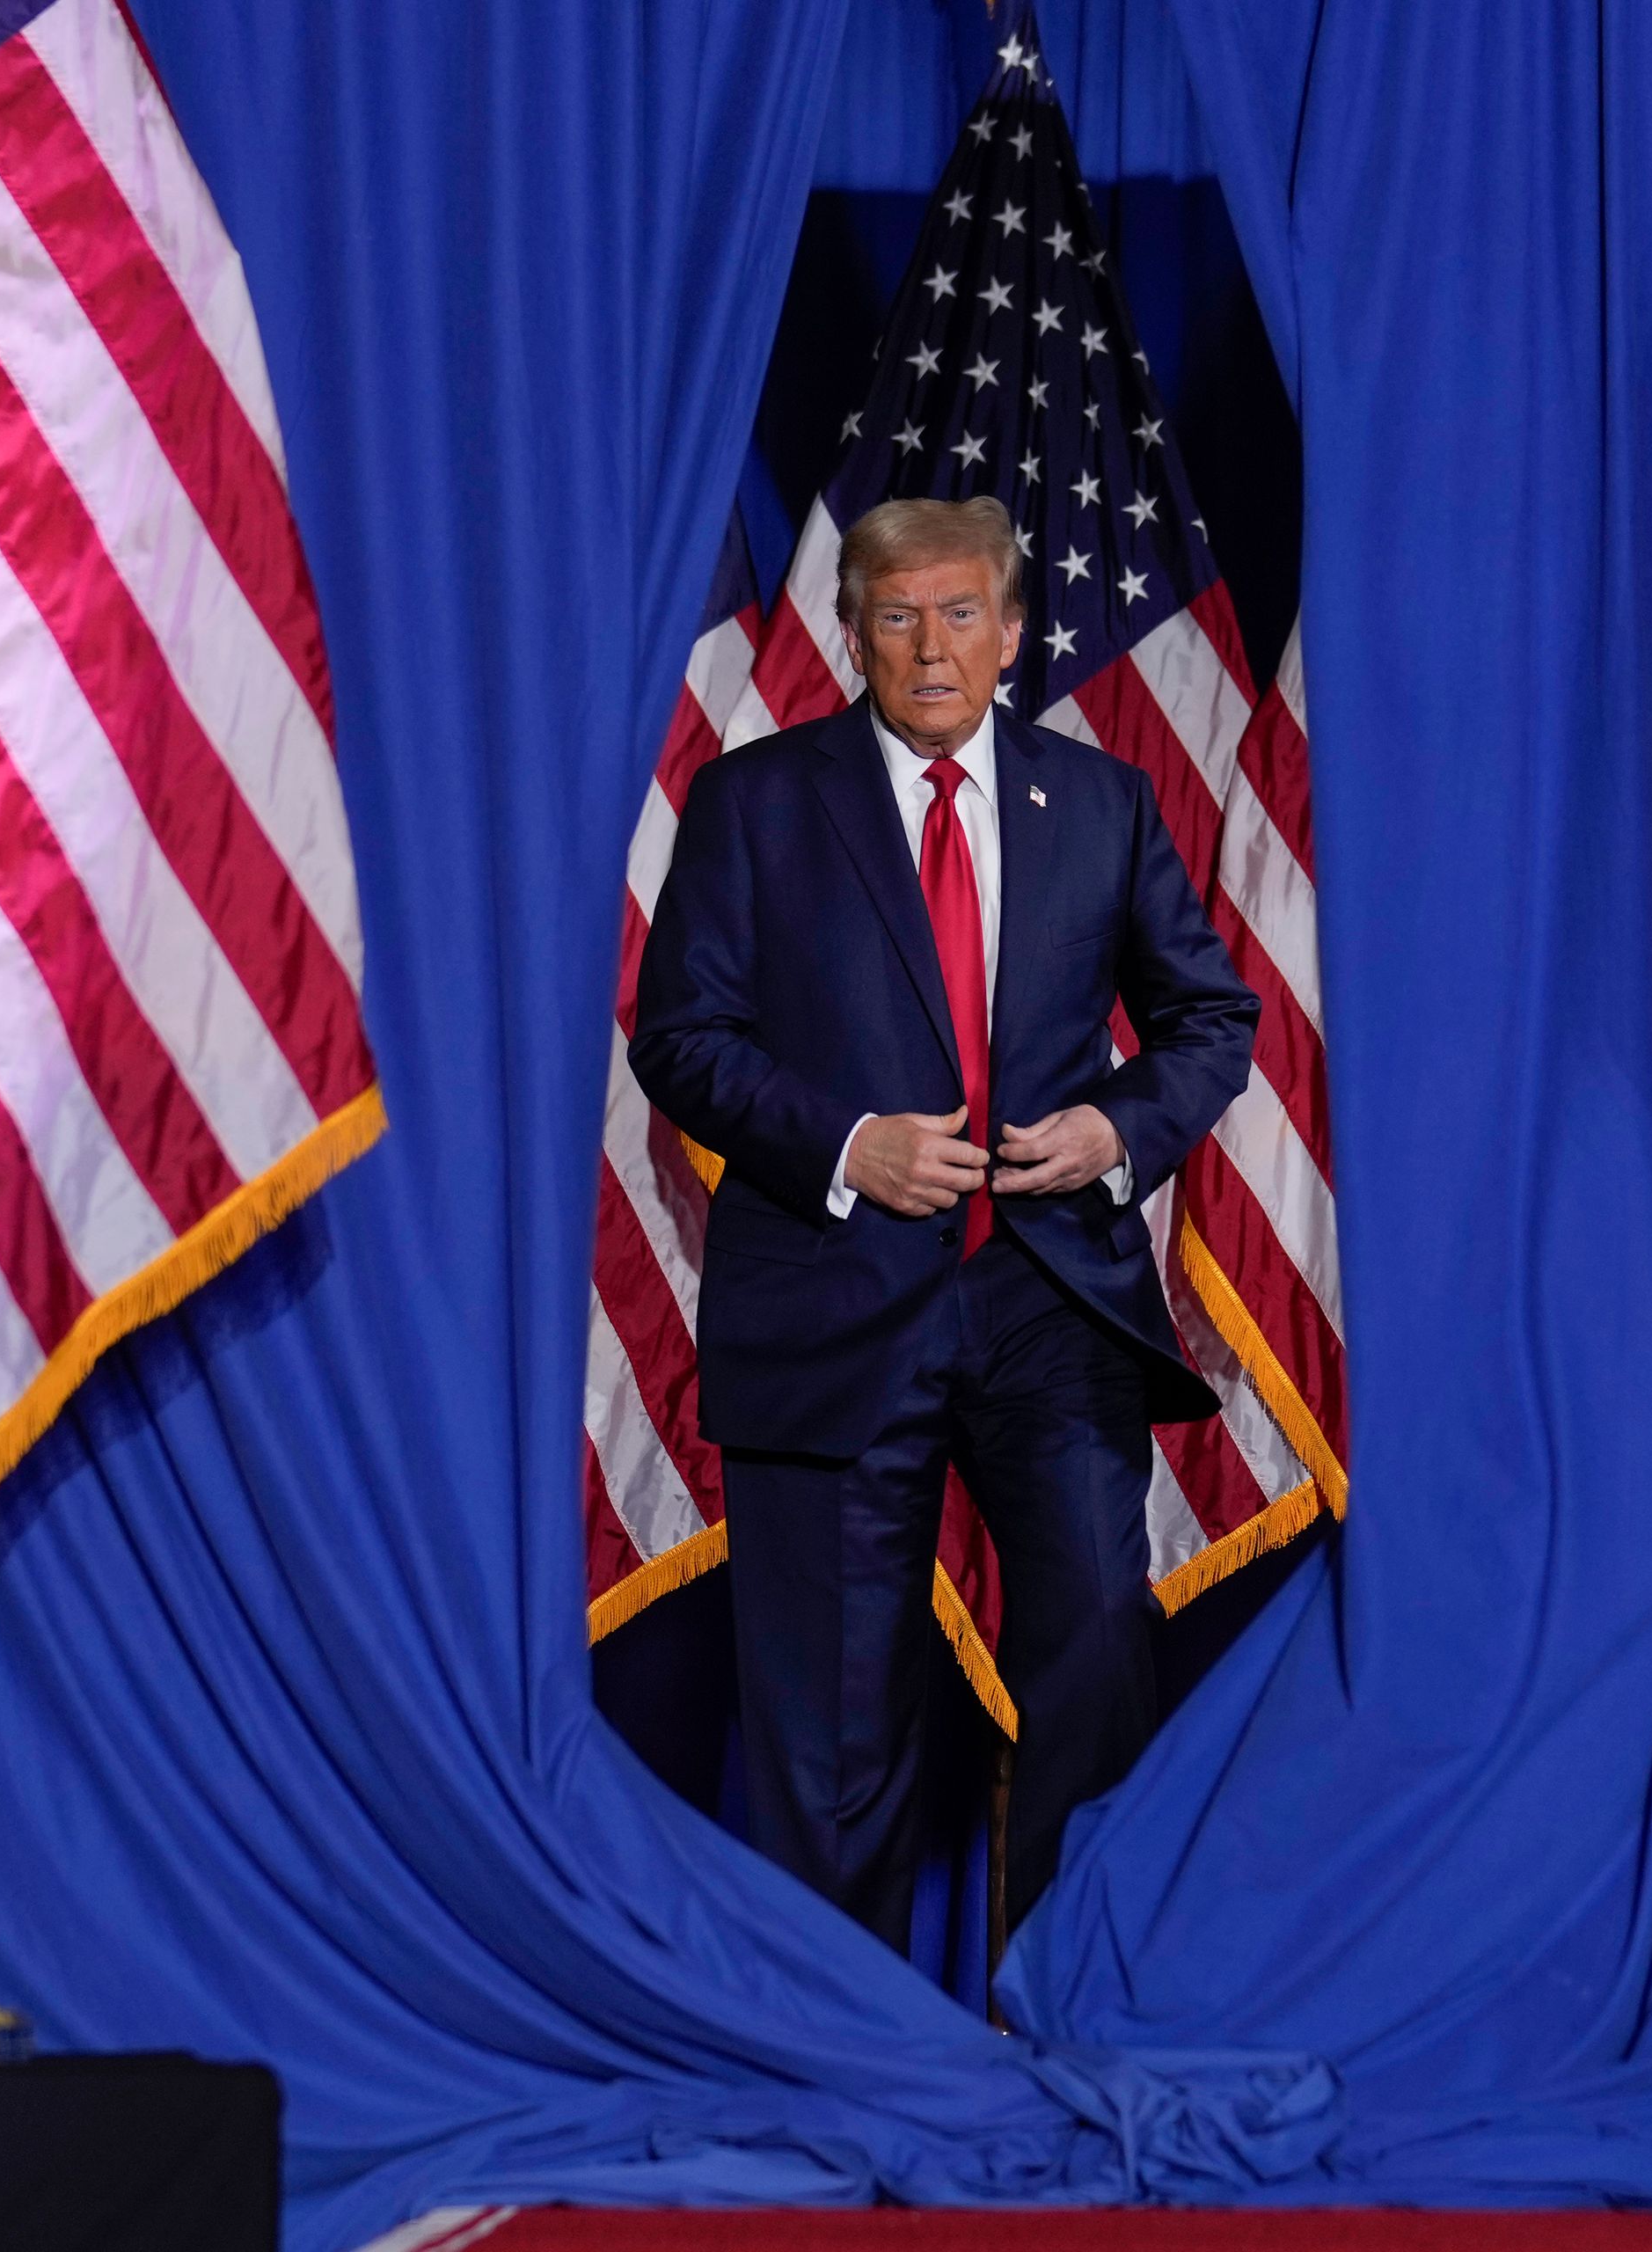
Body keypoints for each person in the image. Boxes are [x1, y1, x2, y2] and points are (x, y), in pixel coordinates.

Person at [631, 494, 1258, 1947]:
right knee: (834, 1723)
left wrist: (1120, 1128)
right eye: (898, 617)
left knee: (1100, 1647)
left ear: (1014, 634)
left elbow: (1209, 1019)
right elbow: (684, 1036)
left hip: (1051, 1301)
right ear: (850, 634)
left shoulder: (1098, 804)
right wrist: (849, 1144)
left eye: (962, 614)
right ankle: (850, 2054)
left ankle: (1053, 2009)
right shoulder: (757, 800)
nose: (931, 648)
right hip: (835, 1295)